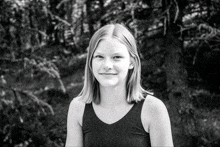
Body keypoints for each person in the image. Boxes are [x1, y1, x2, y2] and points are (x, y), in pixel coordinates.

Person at [65, 23, 173, 147]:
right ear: (90, 62)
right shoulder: (78, 108)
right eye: (99, 57)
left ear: (131, 62)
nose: (107, 65)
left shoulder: (153, 109)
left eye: (116, 57)